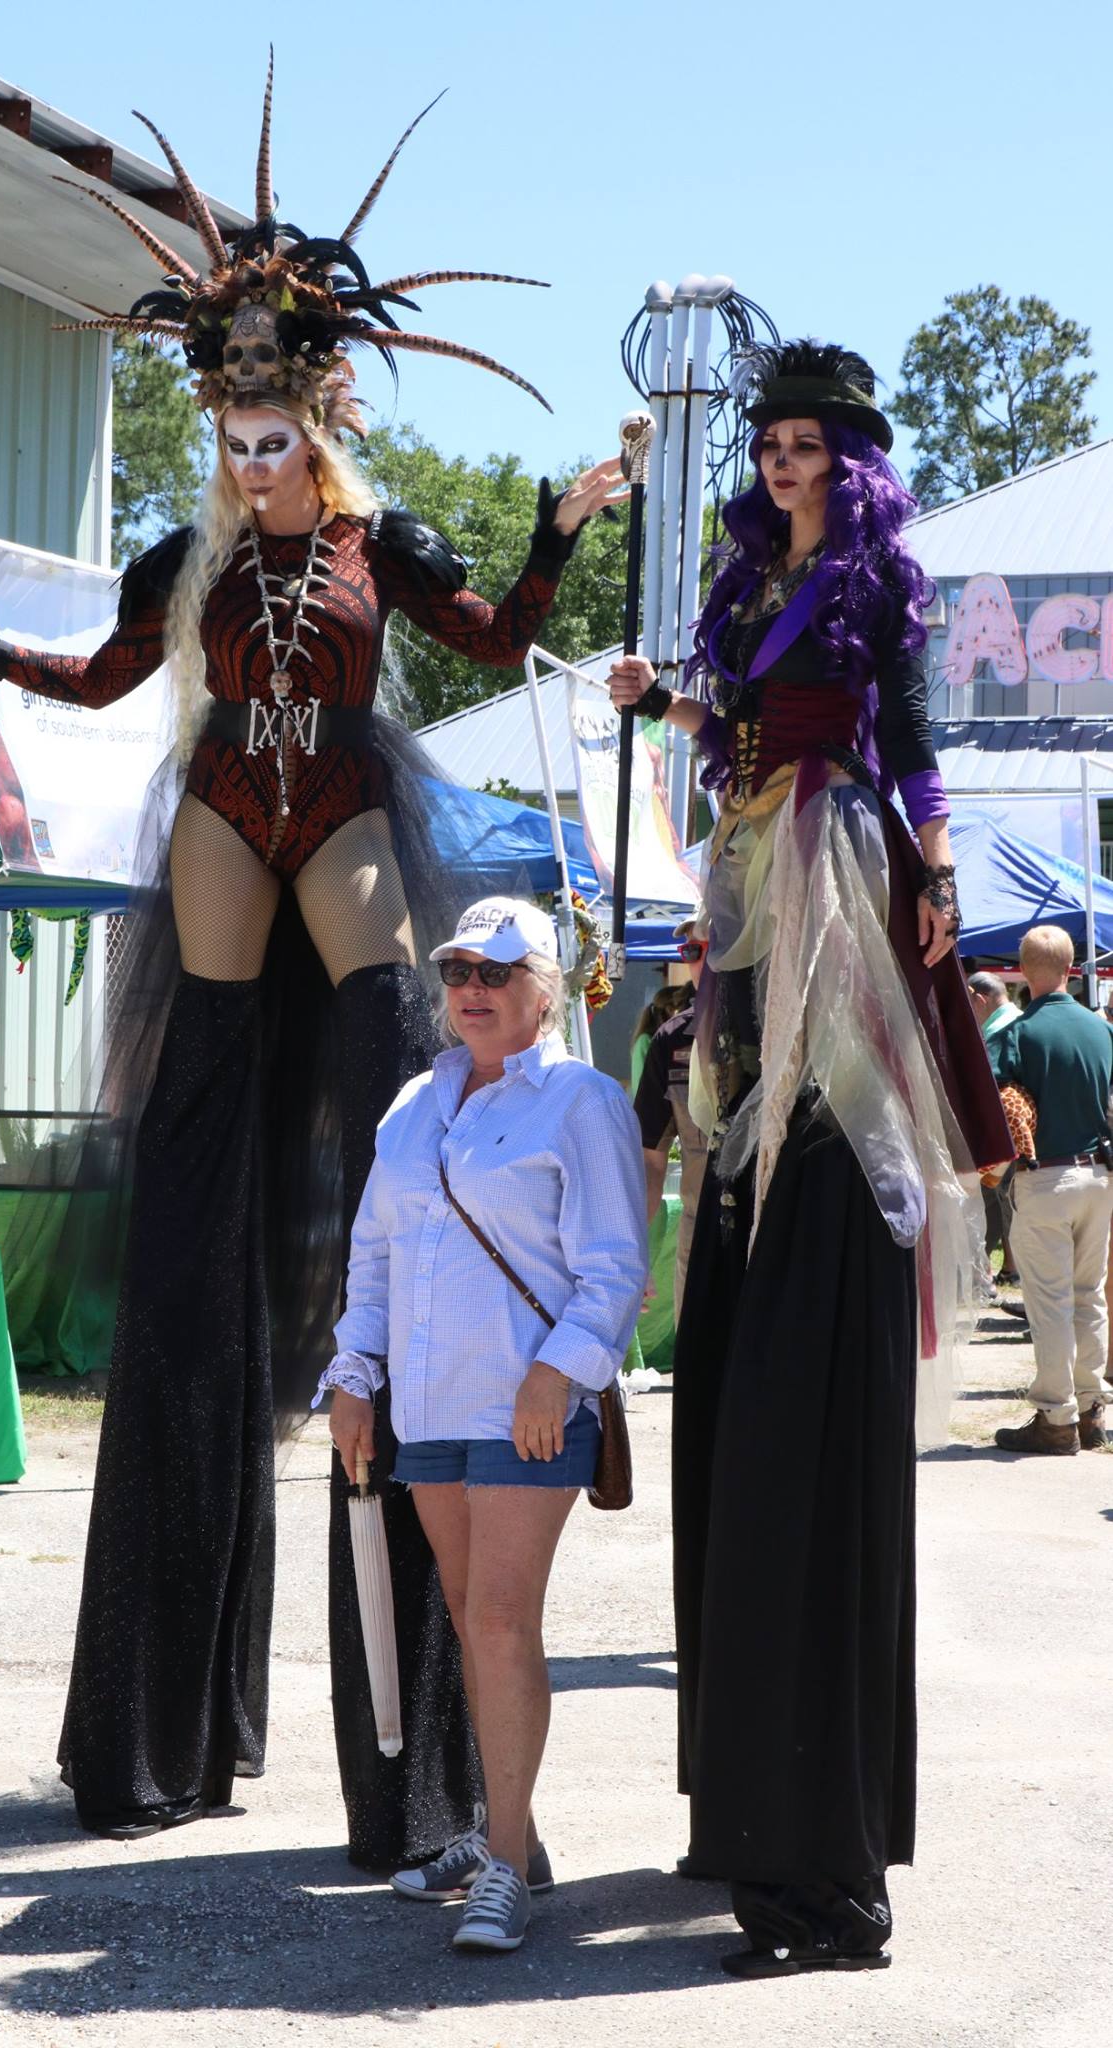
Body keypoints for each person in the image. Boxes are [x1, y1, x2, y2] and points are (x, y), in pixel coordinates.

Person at [0, 79, 622, 1866]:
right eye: (231, 430)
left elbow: (497, 641)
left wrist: (555, 534)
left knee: (395, 1117)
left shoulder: (379, 546)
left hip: (346, 808)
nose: (252, 456)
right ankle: (162, 1718)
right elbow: (108, 676)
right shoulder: (189, 556)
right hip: (222, 808)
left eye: (274, 430)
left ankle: (416, 1756)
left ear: (321, 420)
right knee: (193, 1185)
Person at [609, 340, 1009, 1975]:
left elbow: (906, 733)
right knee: (734, 1117)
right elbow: (737, 726)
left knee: (815, 1109)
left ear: (851, 462)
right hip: (750, 865)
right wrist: (663, 702)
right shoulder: (750, 585)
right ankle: (753, 1821)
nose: (781, 462)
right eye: (769, 441)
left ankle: (819, 1868)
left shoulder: (866, 582)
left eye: (807, 443)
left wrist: (939, 874)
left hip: (836, 859)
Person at [320, 896, 647, 1952]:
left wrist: (561, 1372)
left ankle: (503, 1862)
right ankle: (515, 1836)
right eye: (459, 969)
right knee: (469, 1618)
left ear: (546, 991)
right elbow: (374, 1252)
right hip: (428, 1404)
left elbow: (615, 1265)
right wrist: (354, 1371)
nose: (472, 989)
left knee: (500, 1620)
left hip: (527, 1406)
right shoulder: (414, 1102)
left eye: (498, 972)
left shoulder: (582, 1100)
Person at [989, 926, 1113, 1454]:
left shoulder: (1017, 1033)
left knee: (1051, 1304)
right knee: (1090, 1296)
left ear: (1022, 970)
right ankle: (1091, 1409)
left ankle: (1056, 1419)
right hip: (1099, 1176)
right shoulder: (1101, 1030)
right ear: (1070, 968)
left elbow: (990, 1102)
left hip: (1045, 1176)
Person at [633, 923, 709, 1320]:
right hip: (701, 1239)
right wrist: (632, 1252)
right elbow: (649, 1158)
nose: (706, 962)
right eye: (693, 951)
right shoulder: (672, 1040)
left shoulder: (791, 1028)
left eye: (719, 945)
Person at [969, 973, 1023, 1281]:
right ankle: (1004, 1268)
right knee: (1003, 1200)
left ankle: (988, 1271)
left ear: (980, 1000)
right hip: (1019, 1135)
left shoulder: (1001, 1032)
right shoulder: (1021, 1022)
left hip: (1005, 1136)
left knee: (999, 1199)